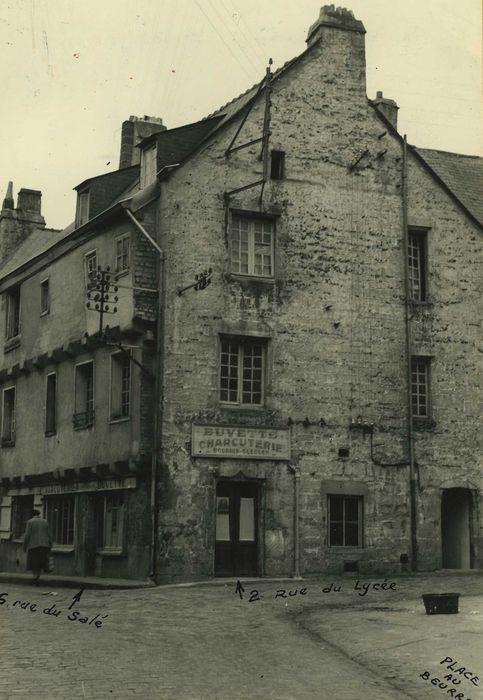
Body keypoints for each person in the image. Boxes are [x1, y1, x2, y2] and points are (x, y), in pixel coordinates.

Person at [23, 509, 52, 585]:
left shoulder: (30, 522)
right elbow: (49, 534)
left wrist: (25, 546)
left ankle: (35, 579)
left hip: (34, 545)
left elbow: (27, 535)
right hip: (44, 546)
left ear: (32, 514)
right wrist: (50, 544)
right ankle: (37, 578)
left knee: (34, 564)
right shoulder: (45, 521)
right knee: (40, 563)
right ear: (39, 514)